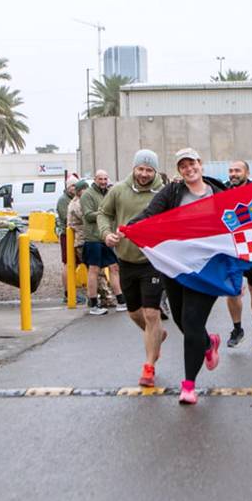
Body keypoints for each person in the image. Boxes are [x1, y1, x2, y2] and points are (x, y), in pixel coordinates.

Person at [127, 148, 226, 405]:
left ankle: (189, 385)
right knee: (182, 320)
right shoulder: (172, 192)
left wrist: (239, 272)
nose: (188, 169)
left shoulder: (219, 193)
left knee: (192, 322)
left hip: (207, 269)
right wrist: (129, 228)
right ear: (179, 170)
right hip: (176, 267)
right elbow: (150, 213)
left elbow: (237, 230)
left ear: (200, 164)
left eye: (192, 163)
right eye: (183, 166)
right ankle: (208, 343)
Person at [98, 150, 165, 388]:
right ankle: (157, 336)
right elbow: (103, 213)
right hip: (126, 260)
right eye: (141, 169)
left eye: (149, 170)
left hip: (153, 261)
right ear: (134, 168)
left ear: (155, 171)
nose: (144, 174)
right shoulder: (118, 190)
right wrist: (106, 233)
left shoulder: (163, 192)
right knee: (135, 313)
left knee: (151, 314)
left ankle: (149, 366)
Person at [224, 160, 252, 348]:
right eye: (231, 171)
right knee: (232, 290)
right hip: (230, 249)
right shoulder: (222, 192)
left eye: (237, 170)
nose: (233, 174)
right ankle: (237, 329)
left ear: (247, 173)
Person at [79, 170, 126, 315]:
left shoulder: (108, 193)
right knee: (94, 270)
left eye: (105, 179)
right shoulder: (87, 195)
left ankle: (121, 301)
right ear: (95, 179)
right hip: (93, 238)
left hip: (107, 237)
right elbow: (88, 215)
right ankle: (93, 304)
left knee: (114, 267)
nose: (103, 182)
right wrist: (105, 214)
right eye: (100, 179)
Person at [56, 176, 78, 301]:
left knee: (75, 263)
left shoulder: (76, 198)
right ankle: (68, 293)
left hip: (76, 234)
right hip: (67, 235)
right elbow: (66, 219)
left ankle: (73, 291)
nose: (74, 188)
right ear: (67, 187)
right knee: (68, 263)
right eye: (72, 186)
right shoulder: (63, 200)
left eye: (76, 185)